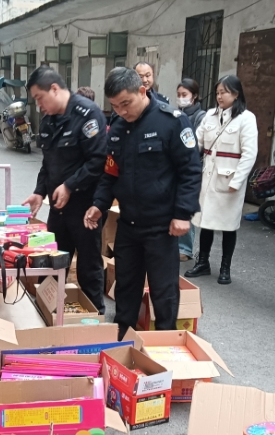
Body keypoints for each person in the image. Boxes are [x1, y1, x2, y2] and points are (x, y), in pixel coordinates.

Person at [84, 67, 201, 338]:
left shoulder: (171, 121)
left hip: (162, 226)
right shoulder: (118, 129)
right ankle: (123, 337)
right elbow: (110, 172)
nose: (122, 111)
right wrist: (99, 204)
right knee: (125, 286)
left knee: (163, 291)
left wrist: (183, 213)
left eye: (126, 103)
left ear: (142, 91)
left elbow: (190, 171)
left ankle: (165, 342)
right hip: (129, 224)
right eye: (115, 106)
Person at [23, 66, 107, 312]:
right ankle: (47, 314)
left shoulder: (87, 114)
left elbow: (97, 161)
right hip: (58, 209)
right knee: (51, 263)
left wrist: (70, 185)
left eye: (39, 98)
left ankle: (95, 318)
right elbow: (48, 163)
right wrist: (40, 191)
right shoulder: (49, 122)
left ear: (55, 89)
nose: (39, 105)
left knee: (88, 267)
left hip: (84, 207)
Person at [185, 75, 258, 285]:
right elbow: (196, 142)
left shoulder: (246, 118)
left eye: (224, 92)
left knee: (228, 225)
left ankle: (225, 267)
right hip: (208, 175)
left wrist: (237, 181)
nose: (219, 96)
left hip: (229, 178)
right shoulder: (210, 116)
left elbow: (249, 153)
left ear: (236, 94)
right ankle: (203, 262)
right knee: (205, 222)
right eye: (217, 92)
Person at [176, 79, 207, 261]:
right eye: (179, 95)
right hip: (175, 166)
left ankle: (186, 249)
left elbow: (196, 144)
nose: (181, 99)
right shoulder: (176, 113)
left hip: (191, 165)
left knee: (187, 205)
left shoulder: (201, 117)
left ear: (194, 96)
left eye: (184, 95)